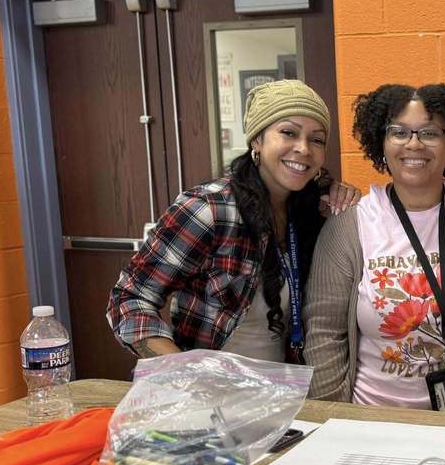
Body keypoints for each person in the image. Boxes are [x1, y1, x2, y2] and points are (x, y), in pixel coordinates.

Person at [107, 79, 357, 364]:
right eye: (288, 132)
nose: (303, 148)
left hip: (286, 392)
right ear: (257, 141)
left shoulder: (313, 213)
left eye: (317, 139)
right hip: (209, 396)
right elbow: (129, 299)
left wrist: (341, 200)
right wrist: (181, 370)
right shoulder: (209, 210)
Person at [304, 83, 445, 415]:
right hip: (382, 425)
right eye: (399, 132)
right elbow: (324, 335)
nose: (414, 143)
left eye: (430, 133)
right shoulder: (350, 226)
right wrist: (335, 419)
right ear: (381, 143)